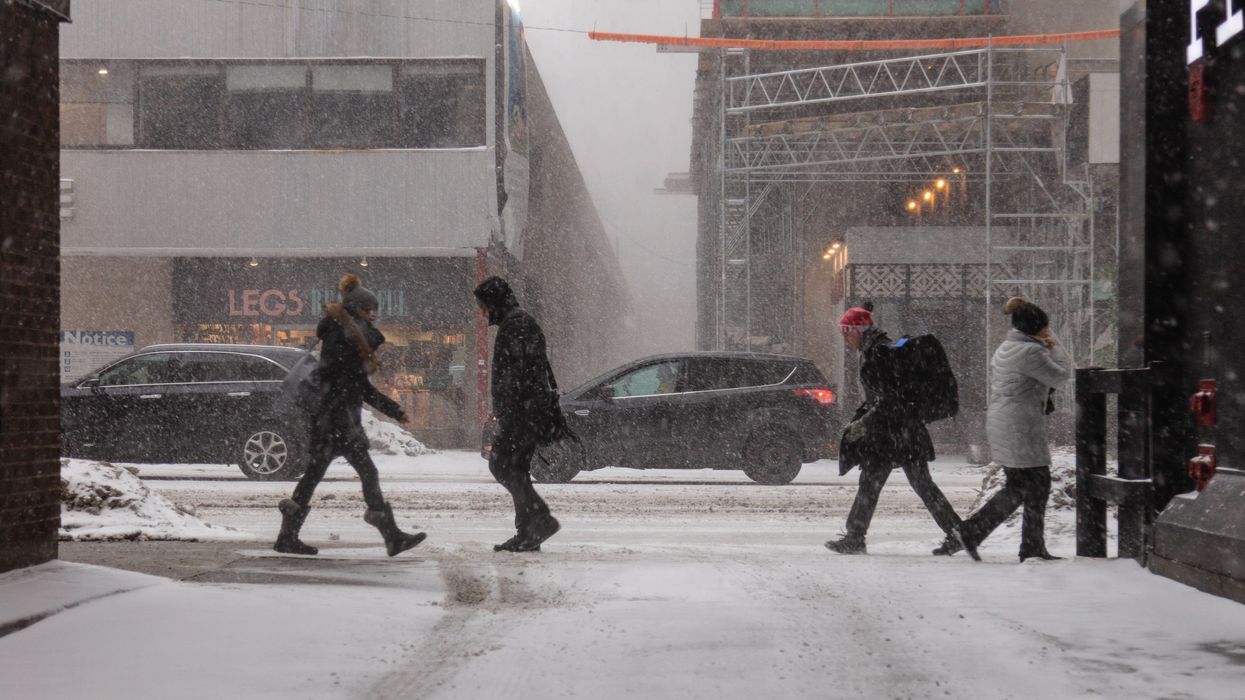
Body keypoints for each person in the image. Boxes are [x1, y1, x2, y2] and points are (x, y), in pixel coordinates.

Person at [274, 273, 426, 557]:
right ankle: (390, 534)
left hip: (331, 418)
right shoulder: (343, 338)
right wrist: (394, 409)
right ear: (356, 310)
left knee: (317, 473)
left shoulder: (338, 335)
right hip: (338, 419)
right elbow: (357, 385)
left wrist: (392, 409)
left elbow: (354, 384)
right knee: (363, 471)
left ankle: (288, 535)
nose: (373, 316)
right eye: (369, 311)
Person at [935, 297, 1073, 562]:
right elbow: (1062, 374)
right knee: (1034, 484)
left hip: (1008, 423)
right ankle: (990, 537)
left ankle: (981, 535)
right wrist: (1053, 342)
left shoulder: (1008, 347)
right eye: (1045, 326)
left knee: (1022, 486)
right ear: (1037, 328)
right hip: (1021, 426)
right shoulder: (1031, 352)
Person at [825, 306, 963, 555]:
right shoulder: (877, 349)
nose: (845, 340)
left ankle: (856, 537)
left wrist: (863, 422)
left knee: (877, 483)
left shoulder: (879, 353)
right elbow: (884, 397)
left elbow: (889, 398)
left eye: (847, 334)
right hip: (901, 430)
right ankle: (957, 532)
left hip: (893, 434)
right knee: (913, 484)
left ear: (858, 331)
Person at [474, 276, 561, 552]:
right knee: (516, 469)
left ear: (495, 301)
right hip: (524, 412)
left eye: (484, 306)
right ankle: (527, 532)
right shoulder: (516, 322)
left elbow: (521, 375)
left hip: (523, 414)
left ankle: (541, 519)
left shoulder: (518, 325)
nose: (483, 312)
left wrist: (510, 412)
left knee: (501, 465)